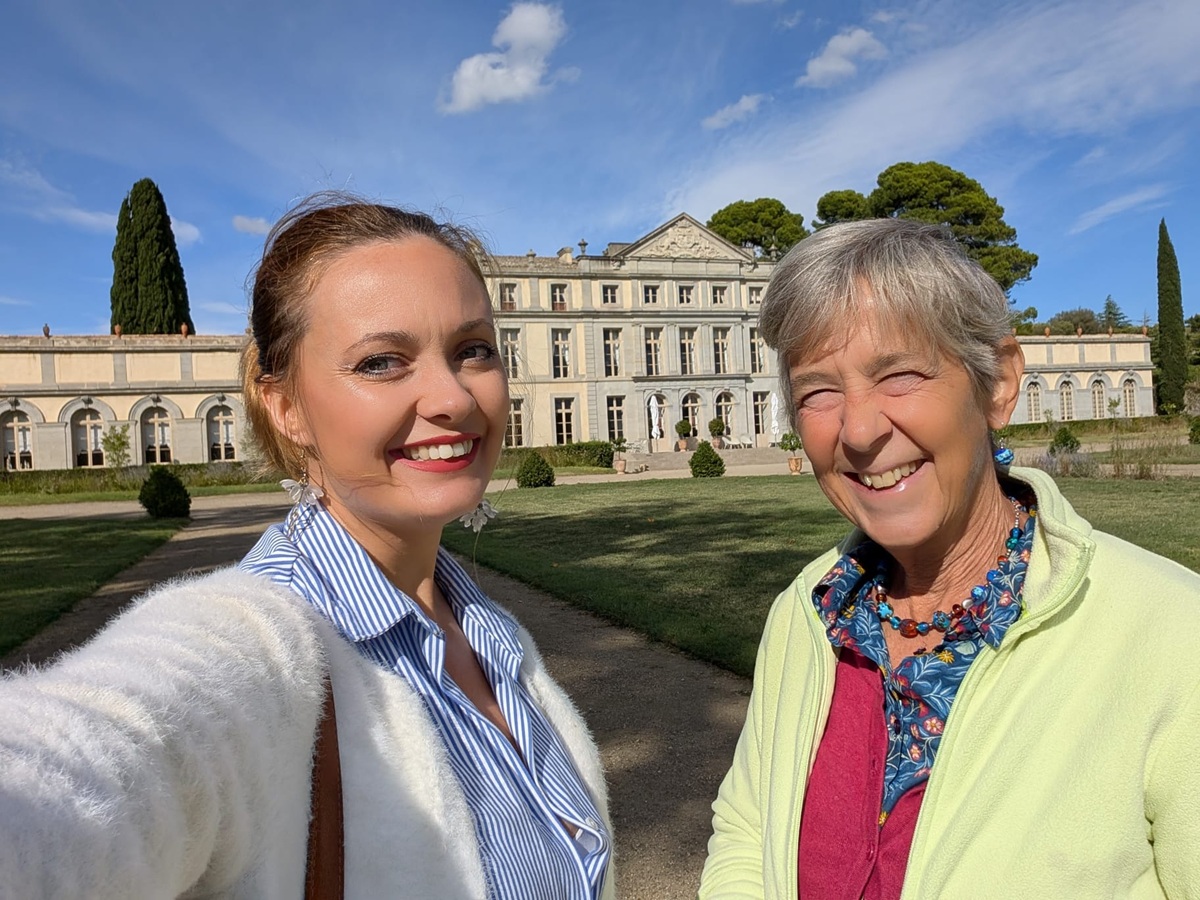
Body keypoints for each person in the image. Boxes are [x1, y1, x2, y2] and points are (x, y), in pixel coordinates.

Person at [0, 195, 614, 899]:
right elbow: (94, 761)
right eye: (383, 362)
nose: (452, 396)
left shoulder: (488, 629)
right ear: (285, 407)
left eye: (472, 349)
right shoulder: (255, 646)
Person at [699, 218, 1200, 899]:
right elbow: (747, 834)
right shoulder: (805, 611)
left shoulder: (1173, 632)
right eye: (818, 391)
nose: (861, 429)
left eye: (900, 374)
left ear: (997, 384)